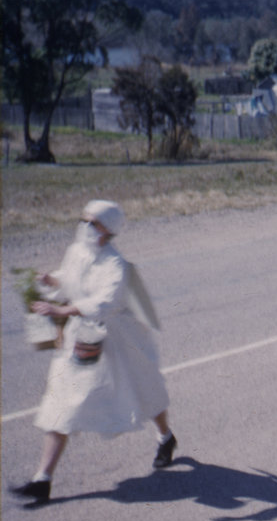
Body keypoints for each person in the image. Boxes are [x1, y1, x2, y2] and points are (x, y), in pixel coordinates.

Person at [11, 200, 177, 505]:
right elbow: (70, 279)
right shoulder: (77, 252)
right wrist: (51, 281)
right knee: (63, 399)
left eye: (91, 222)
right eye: (83, 220)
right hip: (82, 338)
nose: (84, 226)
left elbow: (105, 302)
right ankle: (42, 479)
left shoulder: (116, 265)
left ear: (107, 229)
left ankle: (165, 438)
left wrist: (62, 308)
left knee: (144, 389)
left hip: (120, 340)